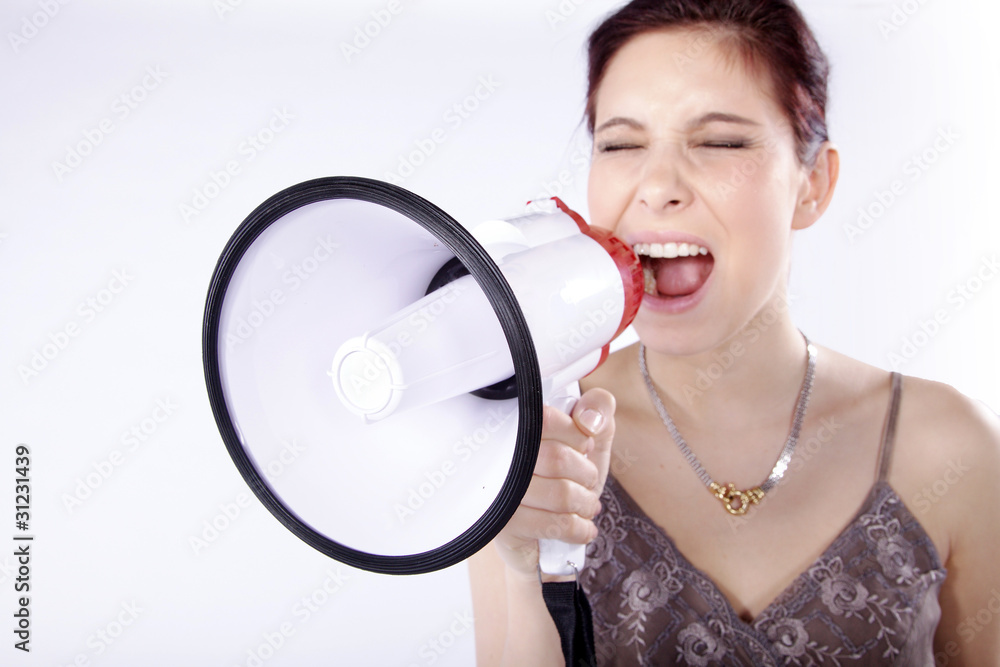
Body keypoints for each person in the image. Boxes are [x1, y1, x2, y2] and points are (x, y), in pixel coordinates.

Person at [468, 0, 1000, 665]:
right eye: (621, 144)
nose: (657, 186)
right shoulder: (528, 439)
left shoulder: (951, 447)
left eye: (720, 142)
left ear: (812, 183)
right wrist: (527, 574)